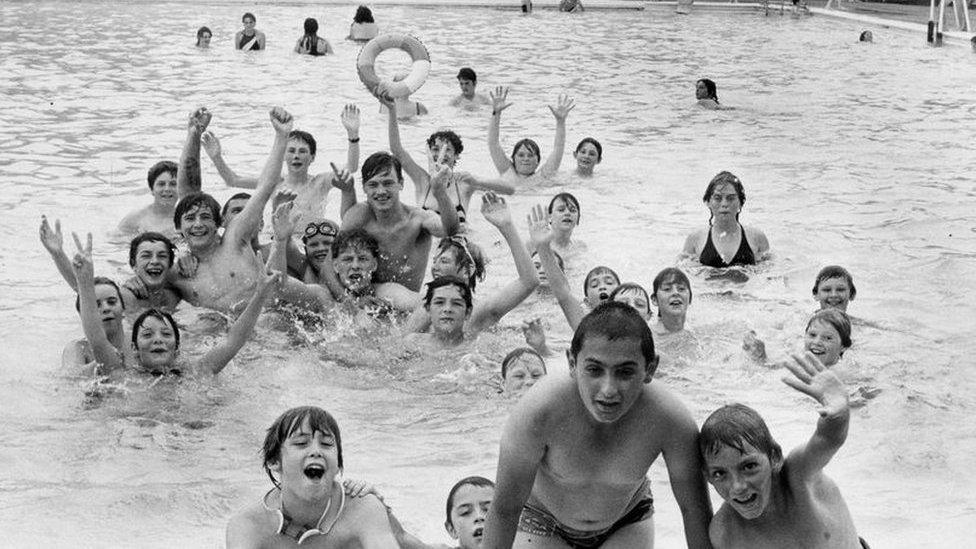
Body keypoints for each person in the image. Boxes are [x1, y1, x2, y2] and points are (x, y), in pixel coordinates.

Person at [482, 302, 713, 548]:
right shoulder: (539, 412)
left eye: (625, 372)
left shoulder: (669, 419)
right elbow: (506, 508)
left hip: (627, 520)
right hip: (542, 523)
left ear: (650, 368)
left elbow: (693, 510)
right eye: (594, 370)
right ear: (572, 363)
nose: (608, 390)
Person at [172, 107, 333, 314]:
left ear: (219, 223)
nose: (198, 224)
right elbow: (187, 193)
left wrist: (281, 136)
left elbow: (265, 186)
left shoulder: (235, 240)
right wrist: (193, 134)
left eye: (205, 217)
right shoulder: (176, 273)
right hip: (235, 330)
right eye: (190, 219)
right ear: (178, 227)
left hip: (284, 318)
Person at [700, 353, 868, 549]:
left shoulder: (799, 474)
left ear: (774, 457)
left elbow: (828, 439)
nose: (737, 486)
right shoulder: (725, 532)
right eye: (720, 473)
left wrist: (839, 413)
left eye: (749, 466)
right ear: (707, 476)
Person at [69, 231, 278, 377]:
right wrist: (84, 282)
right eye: (148, 335)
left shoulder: (195, 371)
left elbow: (233, 341)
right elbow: (96, 336)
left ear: (177, 349)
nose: (158, 340)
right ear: (133, 349)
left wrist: (260, 295)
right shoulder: (118, 372)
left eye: (166, 334)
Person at [226, 406, 403, 548]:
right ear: (274, 461)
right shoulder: (247, 526)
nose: (316, 451)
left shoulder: (362, 508)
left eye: (326, 444)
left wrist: (383, 513)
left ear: (338, 466)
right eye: (301, 443)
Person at [405, 193, 539, 349]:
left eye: (444, 261)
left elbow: (529, 281)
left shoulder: (479, 314)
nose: (434, 267)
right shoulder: (424, 308)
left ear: (468, 269)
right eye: (434, 261)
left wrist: (507, 226)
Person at [202, 104, 360, 232]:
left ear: (312, 158)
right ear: (284, 156)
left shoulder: (320, 183)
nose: (296, 155)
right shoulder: (274, 182)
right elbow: (233, 180)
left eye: (302, 151)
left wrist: (353, 134)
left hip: (309, 238)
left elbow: (351, 168)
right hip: (276, 235)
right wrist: (216, 157)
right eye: (291, 151)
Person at [378, 89, 515, 226]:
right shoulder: (422, 180)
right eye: (435, 149)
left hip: (458, 242)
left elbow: (510, 189)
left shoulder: (464, 181)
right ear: (428, 153)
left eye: (447, 149)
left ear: (456, 156)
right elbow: (397, 149)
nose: (440, 155)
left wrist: (476, 181)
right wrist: (392, 110)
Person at [338, 151, 460, 292]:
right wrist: (345, 301)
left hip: (405, 306)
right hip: (366, 301)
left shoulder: (418, 220)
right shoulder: (361, 215)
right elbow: (331, 261)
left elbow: (450, 229)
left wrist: (439, 192)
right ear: (364, 188)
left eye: (388, 183)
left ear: (401, 184)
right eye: (373, 185)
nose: (381, 191)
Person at [41, 217, 183, 316]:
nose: (155, 261)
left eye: (162, 256)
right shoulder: (124, 296)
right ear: (134, 265)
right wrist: (58, 254)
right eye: (146, 255)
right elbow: (85, 290)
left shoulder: (174, 295)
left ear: (170, 264)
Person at [681, 171, 770, 269]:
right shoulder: (695, 239)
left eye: (730, 198)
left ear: (740, 203)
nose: (724, 204)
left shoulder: (757, 237)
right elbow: (684, 275)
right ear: (708, 202)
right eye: (718, 198)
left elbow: (771, 273)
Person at [487, 86, 574, 182]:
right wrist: (496, 113)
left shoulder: (543, 177)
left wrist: (560, 122)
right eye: (521, 155)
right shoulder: (507, 173)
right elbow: (493, 144)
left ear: (538, 161)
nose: (526, 159)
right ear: (513, 159)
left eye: (531, 155)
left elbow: (558, 147)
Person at [117, 160, 179, 236]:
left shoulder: (186, 218)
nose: (167, 189)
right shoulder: (136, 218)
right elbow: (116, 241)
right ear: (152, 190)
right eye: (161, 184)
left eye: (173, 184)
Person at [651, 267, 692, 335]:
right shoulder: (648, 336)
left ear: (690, 298)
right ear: (655, 300)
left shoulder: (702, 333)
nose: (676, 293)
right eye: (667, 289)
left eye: (681, 289)